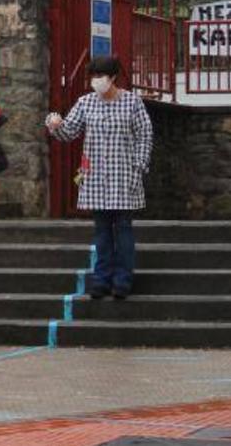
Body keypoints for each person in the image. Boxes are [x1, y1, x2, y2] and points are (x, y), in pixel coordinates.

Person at [46, 55, 153, 300]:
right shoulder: (85, 103)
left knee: (123, 230)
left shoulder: (132, 103)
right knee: (101, 231)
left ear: (113, 77)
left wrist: (138, 167)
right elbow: (68, 132)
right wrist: (54, 123)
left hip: (124, 175)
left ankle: (123, 281)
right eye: (92, 76)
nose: (96, 81)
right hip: (95, 178)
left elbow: (145, 136)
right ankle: (101, 280)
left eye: (100, 76)